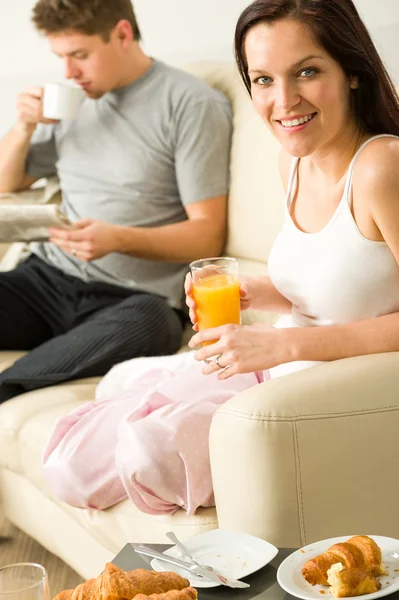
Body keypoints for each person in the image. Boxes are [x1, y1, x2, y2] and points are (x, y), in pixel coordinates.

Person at [42, 0, 399, 515]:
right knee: (76, 456)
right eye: (263, 80)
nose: (285, 101)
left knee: (148, 454)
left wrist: (284, 347)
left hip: (332, 392)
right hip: (277, 369)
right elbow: (336, 283)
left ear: (353, 74)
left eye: (307, 71)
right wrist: (255, 293)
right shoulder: (293, 161)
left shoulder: (382, 168)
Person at [0, 0, 232, 402]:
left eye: (80, 55)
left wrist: (118, 239)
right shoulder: (72, 103)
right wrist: (23, 127)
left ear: (123, 34)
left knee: (152, 323)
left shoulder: (191, 104)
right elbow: (7, 184)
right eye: (61, 57)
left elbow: (207, 237)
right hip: (47, 280)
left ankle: (12, 384)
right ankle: (61, 352)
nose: (69, 72)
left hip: (131, 299)